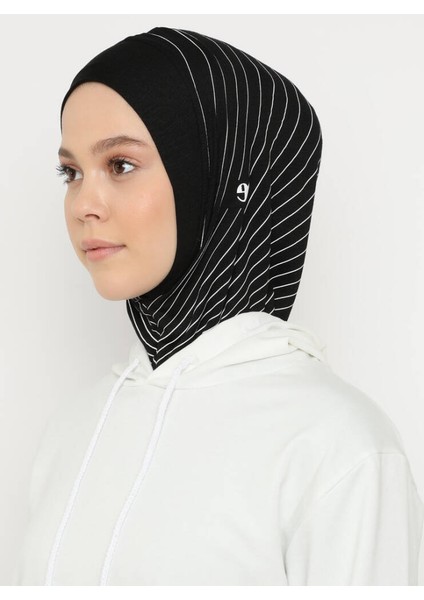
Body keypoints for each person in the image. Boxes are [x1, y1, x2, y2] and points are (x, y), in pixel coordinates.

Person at [14, 27, 423, 586]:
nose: (84, 203)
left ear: (220, 177)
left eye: (121, 165)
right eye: (72, 172)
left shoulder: (340, 448)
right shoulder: (74, 431)